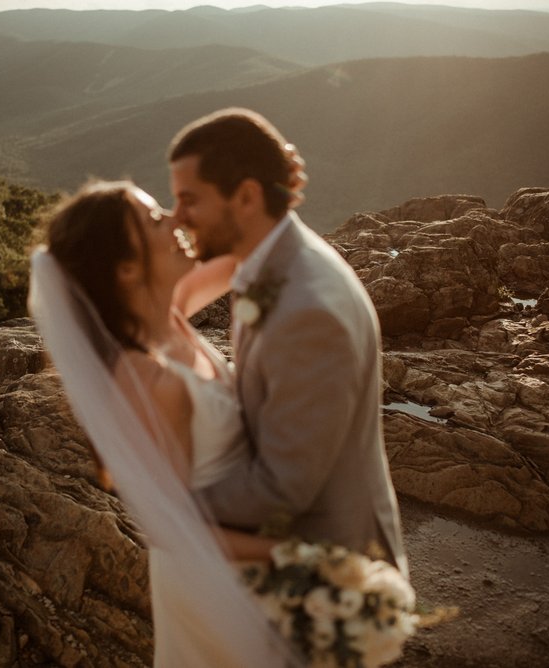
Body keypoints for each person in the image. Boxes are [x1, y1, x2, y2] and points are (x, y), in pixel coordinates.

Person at [27, 180, 298, 666]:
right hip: (216, 578)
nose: (176, 218)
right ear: (128, 269)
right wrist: (291, 548)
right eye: (156, 220)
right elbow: (175, 529)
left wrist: (269, 185)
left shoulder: (167, 314)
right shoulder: (150, 381)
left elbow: (245, 253)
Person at [168, 107, 408, 576]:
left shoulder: (308, 311)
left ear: (247, 196)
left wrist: (167, 499)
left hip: (327, 577)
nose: (177, 216)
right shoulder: (268, 259)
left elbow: (281, 489)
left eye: (189, 200)